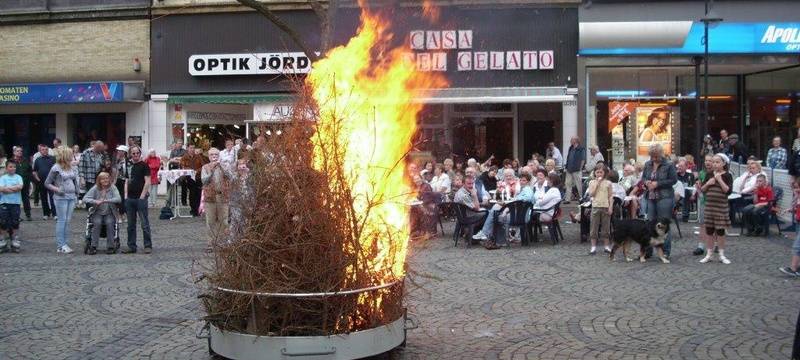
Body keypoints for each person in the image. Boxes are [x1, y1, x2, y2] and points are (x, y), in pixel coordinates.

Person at [472, 172, 534, 248]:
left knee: (496, 215)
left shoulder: (528, 190)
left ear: (528, 181)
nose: (521, 182)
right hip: (519, 214)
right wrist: (509, 203)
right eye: (520, 180)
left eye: (524, 180)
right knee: (496, 209)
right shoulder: (523, 190)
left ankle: (489, 235)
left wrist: (510, 203)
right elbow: (517, 201)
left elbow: (525, 200)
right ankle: (495, 238)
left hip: (521, 216)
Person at [642, 143, 677, 258]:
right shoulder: (647, 164)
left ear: (661, 154)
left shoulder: (669, 165)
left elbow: (673, 180)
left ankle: (665, 251)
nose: (654, 159)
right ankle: (648, 251)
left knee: (664, 224)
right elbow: (644, 177)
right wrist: (646, 182)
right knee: (650, 224)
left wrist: (658, 184)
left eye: (656, 156)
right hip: (651, 197)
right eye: (652, 156)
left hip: (665, 197)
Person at [699, 154, 733, 264]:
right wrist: (708, 183)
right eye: (713, 162)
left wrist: (719, 179)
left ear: (723, 163)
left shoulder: (727, 175)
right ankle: (709, 253)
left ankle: (721, 254)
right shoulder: (709, 174)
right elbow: (703, 189)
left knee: (720, 231)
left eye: (717, 162)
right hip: (709, 207)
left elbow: (728, 191)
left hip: (721, 208)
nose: (714, 164)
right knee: (709, 231)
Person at [45, 147, 80, 254]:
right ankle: (61, 245)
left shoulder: (71, 167)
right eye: (69, 154)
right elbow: (47, 183)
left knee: (68, 221)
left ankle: (65, 243)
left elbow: (75, 180)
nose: (72, 156)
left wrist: (77, 193)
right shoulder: (56, 168)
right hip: (61, 198)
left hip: (71, 196)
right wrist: (57, 189)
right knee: (62, 220)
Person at [122, 146, 152, 254]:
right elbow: (126, 181)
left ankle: (147, 245)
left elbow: (147, 182)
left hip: (141, 199)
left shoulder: (144, 165)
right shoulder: (128, 166)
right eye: (133, 153)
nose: (135, 155)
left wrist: (142, 197)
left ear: (140, 153)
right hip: (130, 198)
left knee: (144, 223)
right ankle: (131, 246)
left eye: (137, 153)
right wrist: (125, 196)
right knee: (130, 225)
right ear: (131, 154)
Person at [83, 172, 121, 255]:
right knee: (97, 223)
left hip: (109, 212)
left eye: (107, 178)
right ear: (99, 180)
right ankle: (93, 246)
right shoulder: (95, 188)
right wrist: (95, 201)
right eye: (103, 179)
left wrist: (108, 200)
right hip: (97, 212)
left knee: (110, 222)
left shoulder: (112, 188)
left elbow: (118, 199)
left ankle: (110, 246)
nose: (105, 180)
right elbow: (85, 198)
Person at [201, 148, 232, 249]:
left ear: (219, 156)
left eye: (216, 155)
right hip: (210, 197)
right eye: (212, 155)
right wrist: (211, 169)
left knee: (224, 221)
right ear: (209, 157)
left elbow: (230, 177)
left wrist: (222, 167)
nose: (214, 156)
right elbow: (204, 181)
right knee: (210, 222)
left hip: (223, 197)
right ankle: (210, 243)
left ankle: (223, 243)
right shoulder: (205, 167)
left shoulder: (224, 166)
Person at [587, 165, 613, 255]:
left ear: (604, 173)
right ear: (594, 173)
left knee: (606, 227)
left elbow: (610, 196)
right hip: (596, 206)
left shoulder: (608, 183)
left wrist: (611, 207)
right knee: (594, 227)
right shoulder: (591, 182)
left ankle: (606, 246)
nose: (599, 174)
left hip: (605, 206)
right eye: (597, 172)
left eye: (601, 172)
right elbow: (591, 194)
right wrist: (597, 185)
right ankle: (593, 246)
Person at [692, 154, 714, 256]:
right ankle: (700, 246)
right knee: (702, 224)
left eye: (710, 161)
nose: (708, 162)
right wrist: (698, 186)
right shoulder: (701, 173)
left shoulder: (717, 173)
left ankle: (716, 244)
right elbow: (699, 187)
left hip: (714, 201)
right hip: (704, 200)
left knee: (716, 224)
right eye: (706, 160)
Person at [0, 161, 24, 252]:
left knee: (15, 222)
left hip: (15, 203)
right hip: (4, 203)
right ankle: (3, 241)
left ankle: (15, 240)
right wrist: (14, 188)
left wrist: (7, 189)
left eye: (14, 167)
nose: (12, 168)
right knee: (3, 222)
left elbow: (20, 187)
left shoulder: (19, 177)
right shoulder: (3, 178)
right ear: (6, 168)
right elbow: (1, 188)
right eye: (10, 167)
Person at [181, 145, 207, 217]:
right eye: (190, 148)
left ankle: (199, 209)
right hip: (189, 178)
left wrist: (197, 171)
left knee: (198, 193)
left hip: (198, 177)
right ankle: (193, 210)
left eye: (193, 148)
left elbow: (203, 166)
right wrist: (191, 171)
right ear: (187, 149)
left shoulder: (198, 156)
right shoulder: (184, 157)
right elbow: (183, 167)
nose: (192, 149)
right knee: (192, 194)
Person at [32, 144, 56, 220]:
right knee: (43, 198)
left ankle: (55, 214)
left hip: (51, 182)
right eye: (43, 149)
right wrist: (37, 178)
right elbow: (34, 171)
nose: (45, 151)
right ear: (40, 151)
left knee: (53, 198)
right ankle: (46, 214)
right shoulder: (37, 160)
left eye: (46, 149)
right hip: (41, 182)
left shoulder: (53, 158)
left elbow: (57, 169)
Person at [11, 147, 32, 221]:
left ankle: (28, 215)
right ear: (14, 152)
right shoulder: (11, 161)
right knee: (16, 200)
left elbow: (30, 171)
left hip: (25, 184)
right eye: (18, 151)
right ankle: (16, 216)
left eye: (21, 151)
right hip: (15, 184)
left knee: (26, 199)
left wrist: (29, 181)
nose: (20, 152)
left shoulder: (25, 160)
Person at [564, 136, 585, 204]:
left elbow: (583, 159)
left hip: (577, 169)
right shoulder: (570, 148)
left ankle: (581, 198)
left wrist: (580, 168)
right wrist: (566, 166)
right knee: (568, 184)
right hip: (569, 169)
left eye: (572, 139)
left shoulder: (581, 149)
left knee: (578, 184)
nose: (570, 140)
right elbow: (568, 157)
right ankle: (567, 199)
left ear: (576, 141)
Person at [168, 140, 187, 206]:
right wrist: (178, 159)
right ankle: (174, 202)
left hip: (182, 170)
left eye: (181, 143)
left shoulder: (184, 151)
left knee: (184, 186)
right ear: (176, 144)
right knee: (174, 186)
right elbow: (170, 159)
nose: (180, 144)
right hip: (174, 170)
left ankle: (184, 202)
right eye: (179, 143)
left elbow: (185, 159)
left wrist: (176, 159)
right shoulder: (173, 151)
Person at [114, 145, 130, 217]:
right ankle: (120, 213)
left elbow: (128, 172)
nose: (118, 152)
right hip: (118, 181)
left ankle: (124, 213)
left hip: (125, 181)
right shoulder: (116, 160)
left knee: (124, 197)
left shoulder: (128, 161)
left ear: (124, 152)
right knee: (119, 197)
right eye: (118, 151)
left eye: (119, 151)